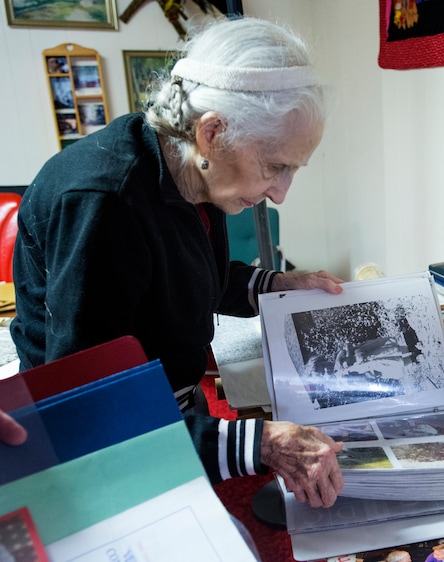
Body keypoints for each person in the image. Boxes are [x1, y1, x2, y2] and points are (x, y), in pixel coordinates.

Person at [10, 16, 345, 509]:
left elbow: (185, 280)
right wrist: (261, 443)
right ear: (212, 133)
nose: (280, 193)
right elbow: (84, 414)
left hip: (172, 414)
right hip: (98, 447)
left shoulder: (189, 168)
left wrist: (277, 283)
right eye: (277, 166)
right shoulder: (105, 203)